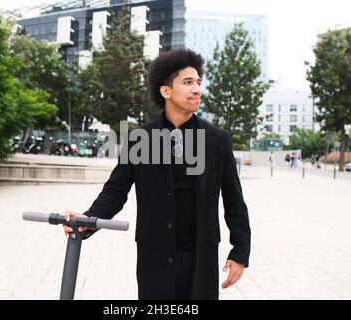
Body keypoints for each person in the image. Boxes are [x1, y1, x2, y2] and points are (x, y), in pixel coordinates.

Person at [63, 49, 251, 300]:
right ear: (166, 91)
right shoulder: (139, 140)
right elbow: (115, 192)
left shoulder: (216, 140)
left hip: (201, 256)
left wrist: (240, 251)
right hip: (155, 255)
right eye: (187, 82)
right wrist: (87, 220)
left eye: (198, 82)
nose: (197, 89)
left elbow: (234, 200)